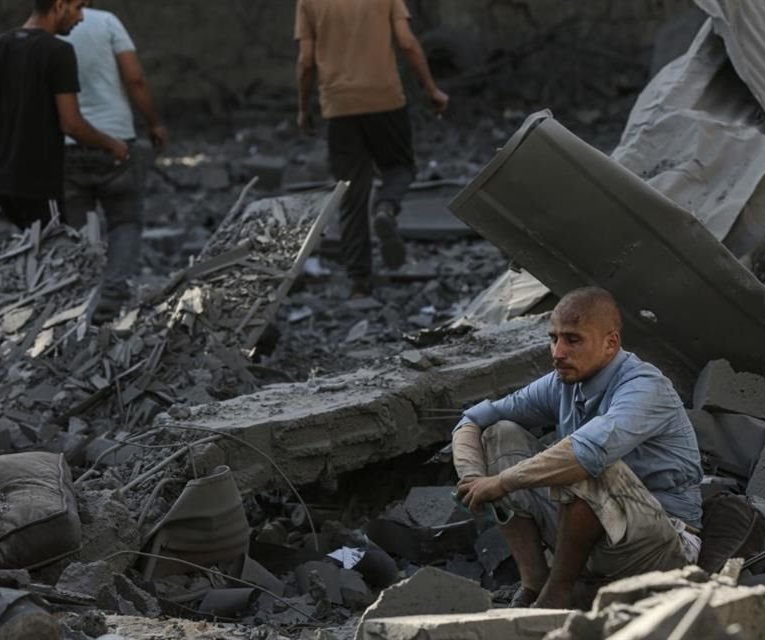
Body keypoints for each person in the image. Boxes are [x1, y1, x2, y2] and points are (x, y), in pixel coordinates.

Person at [452, 287, 703, 609]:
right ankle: (535, 582)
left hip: (661, 544)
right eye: (553, 338)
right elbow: (472, 421)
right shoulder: (562, 382)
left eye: (572, 340)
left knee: (584, 464)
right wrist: (473, 479)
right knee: (500, 433)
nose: (557, 352)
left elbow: (586, 455)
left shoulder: (645, 386)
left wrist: (499, 482)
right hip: (591, 542)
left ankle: (559, 593)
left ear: (610, 343)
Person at [295, 0, 450, 297]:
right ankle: (387, 207)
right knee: (400, 166)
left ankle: (359, 281)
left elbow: (305, 61)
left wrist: (303, 108)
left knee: (351, 192)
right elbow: (407, 42)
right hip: (386, 99)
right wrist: (431, 89)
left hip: (338, 105)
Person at [0, 0, 128, 232]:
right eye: (78, 7)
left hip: (2, 185)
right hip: (39, 186)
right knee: (56, 255)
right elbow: (72, 124)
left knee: (33, 253)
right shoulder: (59, 52)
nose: (81, 17)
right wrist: (113, 145)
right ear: (59, 5)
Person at [60, 4, 168, 324]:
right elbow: (134, 79)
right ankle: (111, 297)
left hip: (67, 144)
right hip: (116, 140)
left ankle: (82, 303)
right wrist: (153, 122)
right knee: (125, 221)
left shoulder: (47, 32)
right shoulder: (107, 22)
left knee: (79, 232)